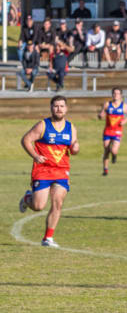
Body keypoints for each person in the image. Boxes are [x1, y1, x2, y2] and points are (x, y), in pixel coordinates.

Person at [18, 95, 80, 248]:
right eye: (56, 106)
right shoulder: (43, 125)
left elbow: (73, 146)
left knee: (58, 202)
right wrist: (35, 155)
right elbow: (25, 139)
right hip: (43, 170)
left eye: (61, 106)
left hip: (61, 171)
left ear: (66, 108)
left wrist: (76, 148)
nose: (59, 109)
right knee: (39, 205)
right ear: (51, 108)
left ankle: (48, 238)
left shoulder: (71, 127)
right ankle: (27, 198)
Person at [98, 87, 127, 176]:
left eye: (118, 93)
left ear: (121, 95)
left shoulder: (124, 106)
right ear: (112, 94)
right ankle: (105, 169)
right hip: (108, 130)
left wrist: (124, 121)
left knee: (114, 150)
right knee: (106, 149)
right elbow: (101, 114)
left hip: (117, 131)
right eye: (114, 93)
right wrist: (100, 115)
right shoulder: (107, 104)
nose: (116, 95)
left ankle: (114, 156)